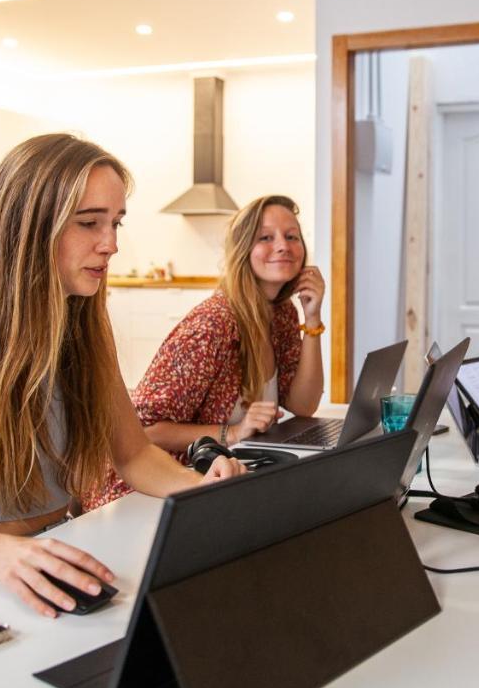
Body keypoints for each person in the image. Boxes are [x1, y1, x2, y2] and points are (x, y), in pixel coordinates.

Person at [0, 134, 246, 618]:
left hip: (60, 564)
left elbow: (135, 454)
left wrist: (201, 488)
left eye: (115, 223)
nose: (111, 244)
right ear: (28, 226)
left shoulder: (83, 327)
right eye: (90, 223)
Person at [86, 194, 324, 509]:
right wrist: (234, 432)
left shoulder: (281, 316)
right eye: (266, 237)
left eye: (292, 236)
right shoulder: (213, 325)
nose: (283, 245)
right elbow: (145, 431)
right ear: (243, 251)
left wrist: (313, 319)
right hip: (152, 493)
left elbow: (303, 405)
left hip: (220, 481)